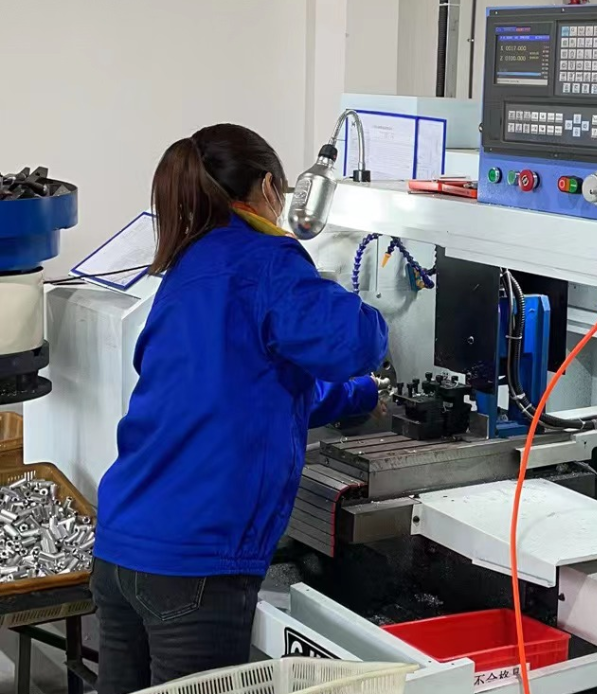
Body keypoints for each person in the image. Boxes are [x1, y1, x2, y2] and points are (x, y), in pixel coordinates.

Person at [90, 124, 388, 693]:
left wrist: (360, 395)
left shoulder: (189, 264)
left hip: (122, 546)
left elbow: (243, 390)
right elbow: (354, 341)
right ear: (270, 186)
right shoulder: (268, 259)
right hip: (196, 562)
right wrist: (371, 323)